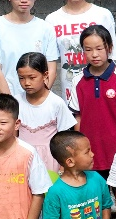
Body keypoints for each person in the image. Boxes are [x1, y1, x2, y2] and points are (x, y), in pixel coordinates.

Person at [71, 26, 116, 184]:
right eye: (88, 50)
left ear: (109, 48)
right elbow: (78, 117)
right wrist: (79, 150)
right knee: (95, 195)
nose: (94, 54)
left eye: (99, 48)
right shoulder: (77, 80)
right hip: (90, 153)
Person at [47, 0, 116, 102]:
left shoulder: (103, 15)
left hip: (101, 88)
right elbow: (51, 62)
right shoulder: (52, 20)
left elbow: (112, 56)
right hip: (70, 91)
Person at [14, 52, 77, 182]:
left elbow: (64, 138)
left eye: (32, 77)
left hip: (51, 160)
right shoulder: (16, 102)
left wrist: (63, 166)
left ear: (45, 75)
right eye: (21, 78)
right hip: (22, 158)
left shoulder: (56, 103)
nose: (26, 83)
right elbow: (13, 135)